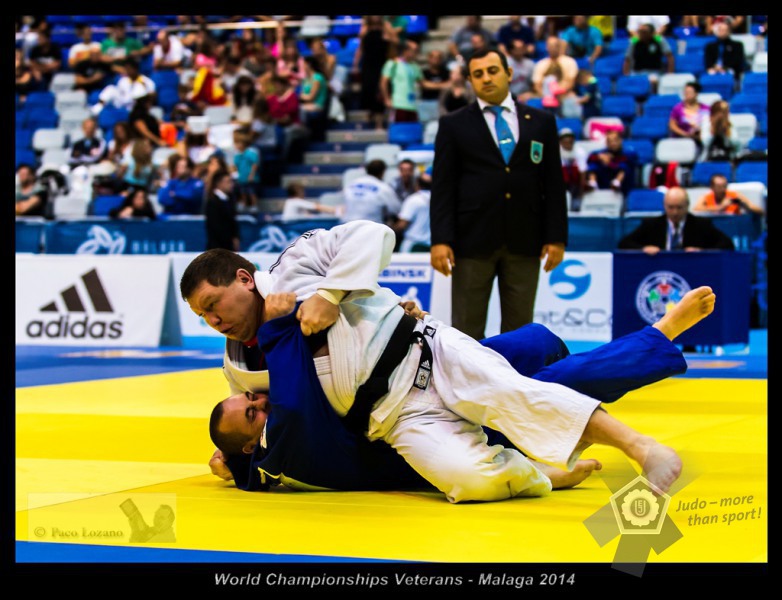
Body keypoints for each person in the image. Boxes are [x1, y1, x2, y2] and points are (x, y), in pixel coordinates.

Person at [180, 220, 713, 501]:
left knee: (523, 385)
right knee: (471, 476)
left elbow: (373, 235)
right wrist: (235, 458)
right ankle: (541, 470)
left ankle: (643, 445)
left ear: (244, 279)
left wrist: (332, 293)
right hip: (390, 418)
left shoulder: (295, 265)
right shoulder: (237, 366)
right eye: (202, 316)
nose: (213, 321)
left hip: (425, 351)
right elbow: (269, 424)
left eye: (212, 305)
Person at [431, 48, 568, 341]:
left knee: (520, 332)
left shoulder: (541, 121)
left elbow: (553, 183)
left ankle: (514, 374)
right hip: (471, 240)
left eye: (492, 71)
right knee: (466, 330)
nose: (486, 78)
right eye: (478, 74)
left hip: (525, 238)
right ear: (470, 80)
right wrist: (440, 239)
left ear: (508, 73)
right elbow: (443, 186)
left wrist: (556, 237)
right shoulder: (453, 124)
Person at [618, 186, 736, 253]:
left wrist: (702, 251)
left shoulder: (701, 224)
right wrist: (643, 248)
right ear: (664, 206)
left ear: (687, 205)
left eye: (679, 207)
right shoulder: (652, 225)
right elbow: (624, 244)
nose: (675, 212)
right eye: (671, 207)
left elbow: (727, 244)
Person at [352, 15, 396, 130]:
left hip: (382, 64)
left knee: (379, 93)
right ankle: (372, 113)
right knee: (369, 91)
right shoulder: (365, 28)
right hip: (368, 65)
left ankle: (379, 123)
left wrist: (389, 37)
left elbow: (395, 43)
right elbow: (360, 48)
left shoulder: (386, 26)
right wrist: (355, 64)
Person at [340, 159, 400, 226]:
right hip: (371, 226)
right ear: (383, 172)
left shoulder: (351, 184)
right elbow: (396, 209)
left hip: (347, 225)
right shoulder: (383, 188)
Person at [531, 36, 579, 113]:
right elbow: (537, 85)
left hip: (565, 95)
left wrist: (559, 95)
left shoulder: (570, 62)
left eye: (556, 45)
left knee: (572, 100)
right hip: (545, 96)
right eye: (550, 46)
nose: (553, 48)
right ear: (546, 47)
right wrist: (546, 96)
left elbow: (571, 82)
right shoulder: (540, 64)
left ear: (560, 46)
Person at [380, 40, 424, 124]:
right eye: (414, 50)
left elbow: (423, 83)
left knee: (412, 129)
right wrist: (387, 99)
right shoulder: (392, 64)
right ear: (406, 51)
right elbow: (383, 82)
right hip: (398, 104)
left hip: (413, 105)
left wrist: (444, 84)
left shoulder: (415, 66)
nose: (417, 53)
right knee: (398, 129)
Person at [585, 129, 638, 197]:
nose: (613, 143)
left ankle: (617, 183)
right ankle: (592, 183)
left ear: (620, 140)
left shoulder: (628, 152)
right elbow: (590, 157)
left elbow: (632, 158)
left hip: (624, 185)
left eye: (615, 140)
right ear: (606, 143)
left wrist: (610, 163)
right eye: (610, 141)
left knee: (624, 166)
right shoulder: (603, 152)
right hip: (606, 181)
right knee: (594, 165)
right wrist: (599, 157)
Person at [392, 167, 432, 252]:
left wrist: (388, 229)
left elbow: (402, 224)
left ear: (417, 185)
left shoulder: (414, 199)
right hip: (430, 246)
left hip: (413, 245)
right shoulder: (438, 200)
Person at [622, 22, 675, 86]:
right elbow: (627, 59)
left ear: (651, 33)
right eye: (640, 32)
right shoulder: (634, 41)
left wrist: (670, 74)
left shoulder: (659, 39)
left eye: (644, 32)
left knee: (653, 81)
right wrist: (626, 75)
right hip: (637, 72)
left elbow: (670, 57)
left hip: (654, 72)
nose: (641, 34)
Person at [693, 174, 765, 216]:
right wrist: (720, 207)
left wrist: (746, 206)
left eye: (724, 186)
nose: (722, 189)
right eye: (719, 187)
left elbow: (760, 211)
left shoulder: (735, 195)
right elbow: (696, 209)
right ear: (712, 187)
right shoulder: (706, 197)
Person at [204, 169, 240, 251]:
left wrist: (235, 237)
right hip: (217, 247)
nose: (231, 184)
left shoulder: (229, 200)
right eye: (228, 182)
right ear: (219, 183)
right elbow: (215, 226)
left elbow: (232, 221)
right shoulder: (213, 201)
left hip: (227, 247)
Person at [231, 129, 261, 212]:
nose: (237, 145)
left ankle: (254, 205)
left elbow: (255, 164)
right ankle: (244, 204)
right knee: (243, 192)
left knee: (251, 192)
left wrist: (251, 175)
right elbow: (235, 165)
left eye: (238, 143)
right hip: (242, 178)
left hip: (250, 178)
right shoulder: (237, 155)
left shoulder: (250, 153)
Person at [559, 128, 588, 210]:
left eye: (570, 140)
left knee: (576, 205)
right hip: (562, 184)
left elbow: (583, 172)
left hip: (576, 184)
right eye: (564, 140)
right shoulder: (556, 152)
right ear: (560, 142)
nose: (567, 142)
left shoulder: (580, 152)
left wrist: (581, 193)